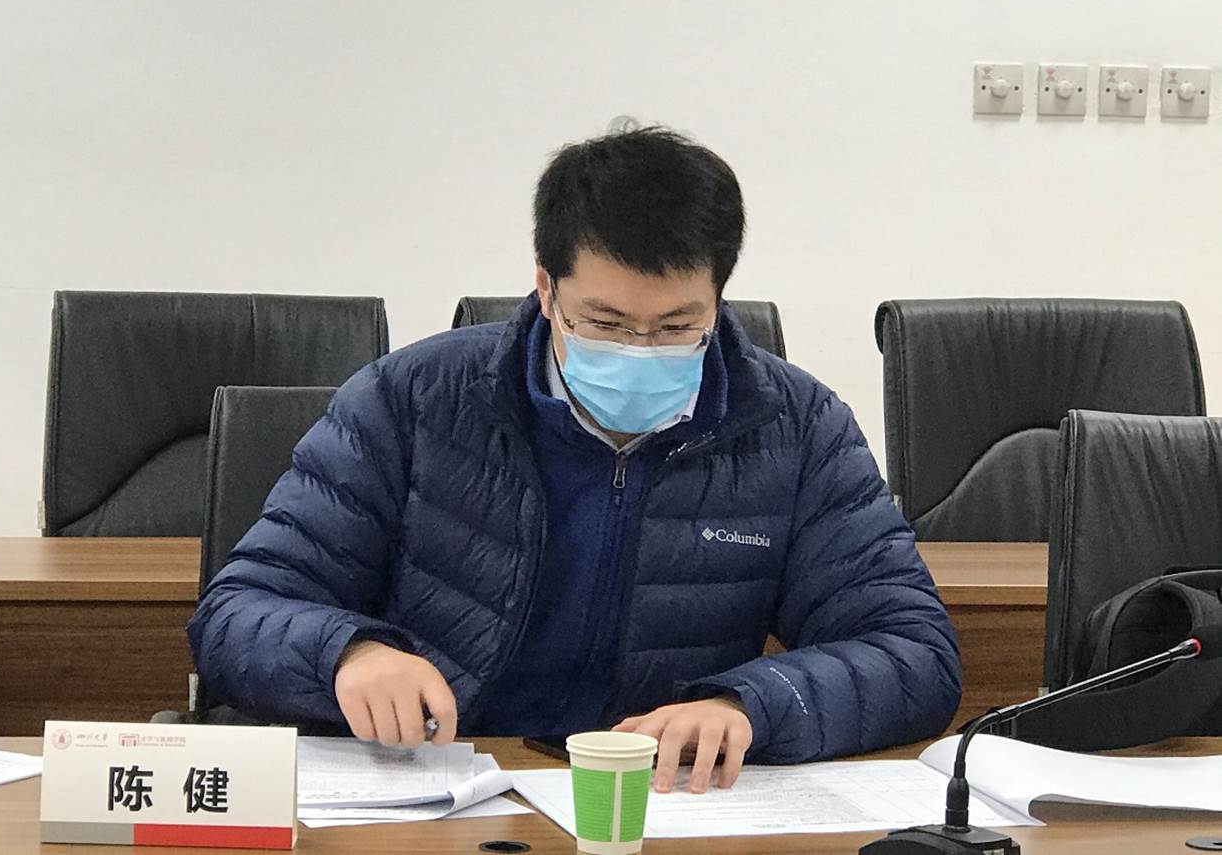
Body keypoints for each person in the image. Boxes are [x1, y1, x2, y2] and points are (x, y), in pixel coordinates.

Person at [188, 125, 961, 794]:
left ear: (718, 300)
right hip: (438, 791)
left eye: (676, 326)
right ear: (545, 287)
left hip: (657, 802)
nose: (639, 348)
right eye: (606, 322)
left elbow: (914, 652)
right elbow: (237, 613)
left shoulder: (794, 428)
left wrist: (749, 704)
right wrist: (345, 653)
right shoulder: (412, 400)